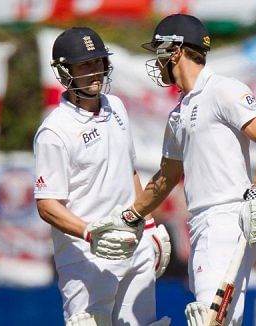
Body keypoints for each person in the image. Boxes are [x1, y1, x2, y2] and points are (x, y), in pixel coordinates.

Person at [106, 14, 256, 325]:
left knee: (207, 317)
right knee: (222, 318)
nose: (157, 60)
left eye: (160, 51)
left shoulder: (223, 90)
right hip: (203, 223)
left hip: (228, 217)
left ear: (175, 51)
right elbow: (166, 178)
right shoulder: (179, 112)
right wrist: (129, 216)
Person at [33, 27, 171, 326]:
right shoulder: (55, 131)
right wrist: (90, 233)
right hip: (86, 256)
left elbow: (128, 170)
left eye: (98, 63)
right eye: (85, 65)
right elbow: (47, 205)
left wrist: (147, 223)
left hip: (135, 244)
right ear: (64, 72)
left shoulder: (116, 106)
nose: (95, 72)